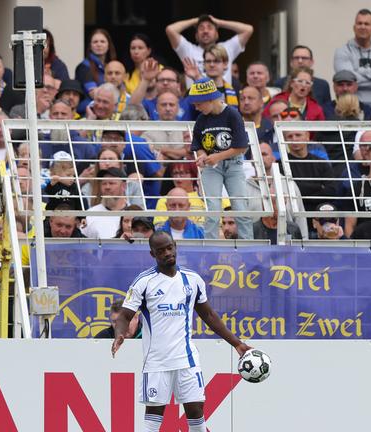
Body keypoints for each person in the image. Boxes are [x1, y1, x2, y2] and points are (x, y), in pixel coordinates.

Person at [111, 231, 252, 432]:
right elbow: (124, 316)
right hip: (157, 362)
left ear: (175, 246)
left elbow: (209, 315)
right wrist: (119, 334)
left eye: (169, 248)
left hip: (186, 359)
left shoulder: (192, 280)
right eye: (161, 251)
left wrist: (237, 343)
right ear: (153, 254)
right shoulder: (144, 282)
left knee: (196, 412)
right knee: (153, 419)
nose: (167, 253)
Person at [189, 78, 253, 240]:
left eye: (199, 104)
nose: (196, 107)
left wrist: (217, 156)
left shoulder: (232, 114)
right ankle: (211, 246)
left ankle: (247, 244)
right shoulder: (201, 119)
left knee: (240, 207)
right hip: (211, 167)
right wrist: (203, 155)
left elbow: (242, 146)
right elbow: (197, 144)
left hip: (233, 164)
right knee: (212, 209)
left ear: (210, 100)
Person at [166, 14, 253, 86]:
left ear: (217, 34)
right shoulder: (188, 50)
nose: (205, 31)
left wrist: (219, 22)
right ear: (196, 36)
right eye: (201, 28)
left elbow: (248, 29)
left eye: (210, 28)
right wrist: (196, 20)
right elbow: (171, 30)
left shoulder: (226, 48)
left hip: (224, 99)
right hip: (196, 100)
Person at [333, 9, 371, 105]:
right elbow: (348, 80)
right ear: (354, 28)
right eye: (359, 23)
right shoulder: (342, 51)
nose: (362, 27)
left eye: (366, 24)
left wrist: (358, 72)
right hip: (352, 105)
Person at [75, 28, 118, 113]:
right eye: (95, 42)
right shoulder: (84, 66)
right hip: (88, 112)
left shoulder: (111, 65)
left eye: (102, 41)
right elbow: (94, 94)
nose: (99, 44)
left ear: (108, 45)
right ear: (90, 46)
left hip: (108, 110)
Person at [82, 167, 130, 239]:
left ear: (124, 186)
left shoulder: (135, 213)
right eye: (104, 183)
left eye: (111, 183)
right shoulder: (90, 214)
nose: (107, 187)